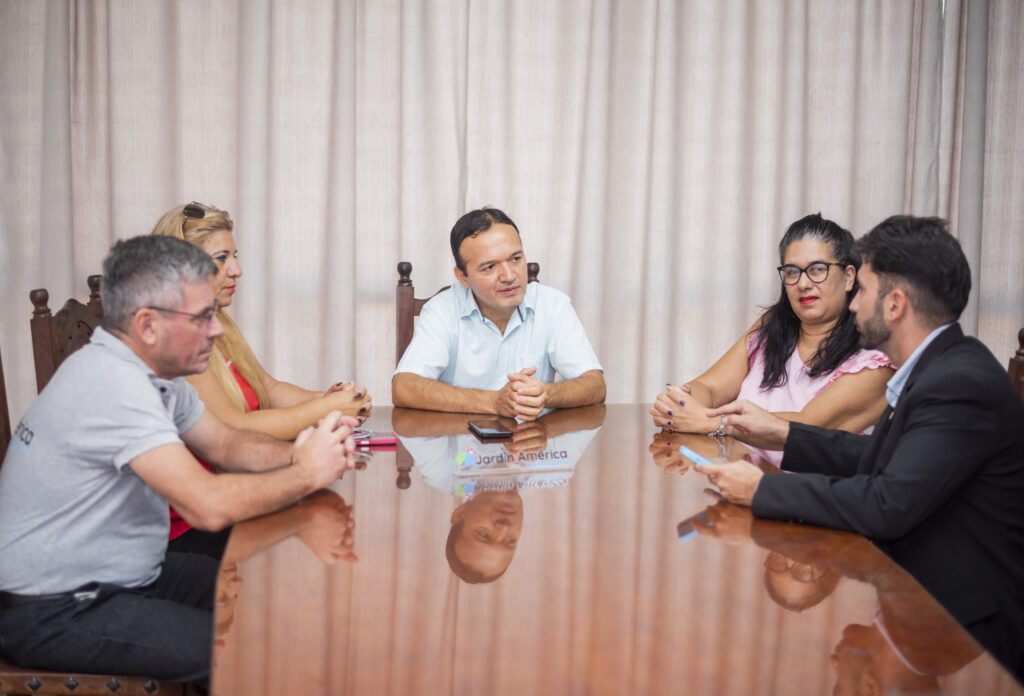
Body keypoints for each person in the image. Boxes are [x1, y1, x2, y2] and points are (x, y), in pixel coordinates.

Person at [0, 235, 359, 682]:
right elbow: (205, 505)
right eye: (204, 317)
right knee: (255, 655)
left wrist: (300, 453)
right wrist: (306, 473)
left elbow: (226, 444)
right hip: (58, 608)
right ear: (148, 325)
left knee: (278, 607)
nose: (218, 331)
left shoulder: (156, 376)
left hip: (129, 574)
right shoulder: (114, 384)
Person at [692, 216, 1024, 679]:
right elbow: (876, 461)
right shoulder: (937, 369)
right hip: (914, 594)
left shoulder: (957, 383)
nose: (852, 306)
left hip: (962, 630)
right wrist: (785, 435)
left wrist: (761, 492)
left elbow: (886, 504)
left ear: (895, 304)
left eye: (861, 290)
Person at [150, 201, 372, 556]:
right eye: (221, 259)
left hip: (233, 492)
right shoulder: (176, 340)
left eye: (234, 256)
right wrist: (325, 411)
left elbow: (267, 388)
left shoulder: (216, 322)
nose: (236, 270)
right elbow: (232, 429)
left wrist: (328, 401)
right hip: (193, 524)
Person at [650, 213, 892, 465]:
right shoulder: (771, 327)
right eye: (792, 272)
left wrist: (706, 421)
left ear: (849, 276)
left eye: (817, 270)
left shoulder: (876, 358)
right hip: (742, 481)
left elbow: (806, 427)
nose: (803, 283)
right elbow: (710, 387)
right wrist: (679, 404)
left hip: (810, 496)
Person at [392, 207, 605, 421]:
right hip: (462, 449)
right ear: (463, 277)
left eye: (515, 259)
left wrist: (546, 395)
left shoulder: (553, 305)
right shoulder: (441, 310)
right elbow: (404, 388)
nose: (509, 276)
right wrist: (494, 401)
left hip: (532, 446)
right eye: (490, 267)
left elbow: (595, 385)